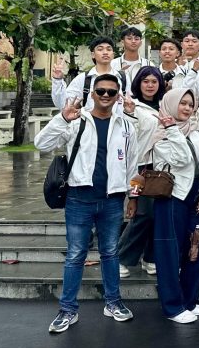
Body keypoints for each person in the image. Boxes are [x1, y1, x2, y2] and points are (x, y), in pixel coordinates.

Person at [34, 73, 138, 333]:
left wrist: (132, 196)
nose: (105, 95)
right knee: (75, 254)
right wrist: (62, 118)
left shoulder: (126, 126)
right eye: (101, 91)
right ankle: (67, 309)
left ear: (118, 96)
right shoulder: (76, 121)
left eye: (111, 92)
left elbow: (132, 164)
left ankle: (113, 302)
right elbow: (41, 144)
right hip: (79, 198)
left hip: (112, 200)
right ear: (92, 94)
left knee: (110, 253)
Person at [145, 88, 199, 323]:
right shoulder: (161, 135)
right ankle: (173, 307)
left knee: (198, 250)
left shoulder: (196, 131)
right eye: (182, 103)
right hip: (172, 198)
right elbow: (182, 159)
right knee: (170, 254)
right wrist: (173, 129)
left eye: (190, 104)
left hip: (196, 197)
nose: (186, 108)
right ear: (171, 104)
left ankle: (189, 300)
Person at [117, 66, 164, 278]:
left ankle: (150, 258)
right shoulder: (131, 105)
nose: (150, 85)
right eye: (146, 81)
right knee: (142, 213)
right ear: (138, 83)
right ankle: (121, 257)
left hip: (161, 167)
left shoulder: (165, 105)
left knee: (158, 215)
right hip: (141, 168)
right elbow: (128, 136)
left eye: (154, 81)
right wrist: (129, 113)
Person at [51, 36, 123, 111]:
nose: (105, 52)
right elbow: (63, 104)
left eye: (109, 49)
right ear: (93, 55)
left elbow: (129, 105)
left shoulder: (123, 78)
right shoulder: (83, 79)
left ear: (113, 54)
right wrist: (57, 80)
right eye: (100, 49)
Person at [112, 27, 149, 93]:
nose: (133, 41)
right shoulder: (113, 64)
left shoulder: (148, 64)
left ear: (140, 43)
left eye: (136, 39)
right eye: (129, 38)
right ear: (122, 42)